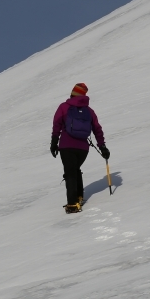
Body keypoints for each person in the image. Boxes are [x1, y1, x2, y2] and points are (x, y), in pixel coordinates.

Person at [51, 83, 109, 213]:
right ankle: (79, 196)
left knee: (70, 172)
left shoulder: (64, 107)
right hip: (83, 149)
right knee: (75, 169)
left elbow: (57, 125)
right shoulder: (89, 111)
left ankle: (72, 204)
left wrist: (54, 142)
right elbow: (97, 129)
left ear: (72, 93)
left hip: (66, 145)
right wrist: (102, 146)